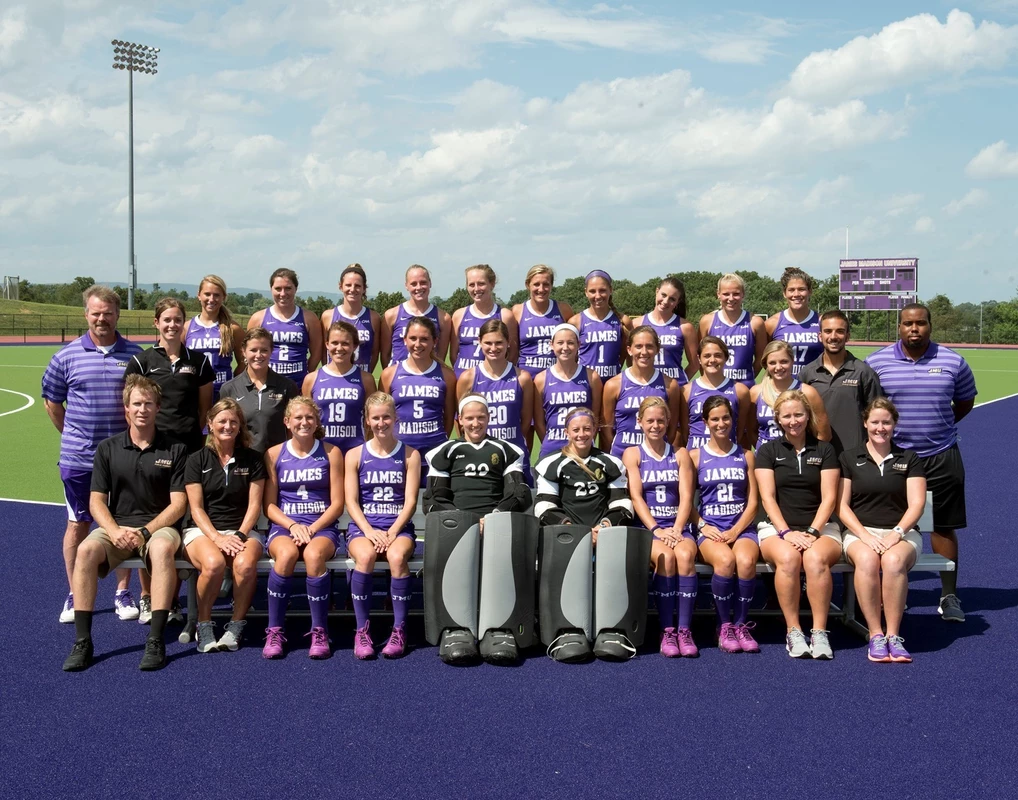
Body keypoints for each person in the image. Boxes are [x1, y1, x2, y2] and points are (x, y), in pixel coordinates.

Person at [62, 376, 188, 671]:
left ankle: (155, 638)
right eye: (137, 404)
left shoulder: (176, 449)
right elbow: (96, 501)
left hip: (159, 529)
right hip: (116, 528)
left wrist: (145, 531)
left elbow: (179, 504)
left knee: (161, 550)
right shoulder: (107, 448)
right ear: (126, 408)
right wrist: (114, 530)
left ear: (158, 407)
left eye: (148, 404)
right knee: (85, 551)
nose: (143, 409)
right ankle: (83, 641)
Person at [865, 303, 977, 622]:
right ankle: (889, 594)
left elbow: (965, 402)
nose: (914, 329)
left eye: (920, 323)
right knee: (885, 525)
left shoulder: (953, 361)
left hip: (941, 455)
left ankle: (948, 595)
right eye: (907, 324)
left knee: (943, 526)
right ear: (899, 327)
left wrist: (938, 426)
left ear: (930, 325)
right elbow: (870, 408)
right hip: (894, 458)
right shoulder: (876, 362)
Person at [42, 284, 144, 624]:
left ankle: (122, 591)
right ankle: (75, 593)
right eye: (96, 313)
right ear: (86, 314)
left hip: (125, 459)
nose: (102, 319)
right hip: (80, 460)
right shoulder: (65, 356)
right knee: (78, 524)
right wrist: (76, 437)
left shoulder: (135, 356)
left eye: (108, 313)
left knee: (124, 524)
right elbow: (52, 403)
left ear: (118, 315)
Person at [422, 394, 533, 663]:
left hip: (495, 524)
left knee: (503, 558)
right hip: (457, 526)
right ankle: (456, 627)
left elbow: (519, 494)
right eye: (469, 418)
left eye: (481, 417)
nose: (475, 423)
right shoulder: (444, 452)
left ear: (489, 419)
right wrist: (463, 522)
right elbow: (433, 499)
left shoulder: (507, 450)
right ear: (459, 421)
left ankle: (499, 627)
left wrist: (494, 517)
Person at [535, 407, 650, 663]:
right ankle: (568, 630)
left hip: (603, 534)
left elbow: (622, 503)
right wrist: (574, 530)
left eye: (587, 429)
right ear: (567, 432)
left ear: (595, 430)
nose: (582, 434)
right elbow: (544, 506)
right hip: (568, 537)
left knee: (614, 554)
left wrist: (605, 526)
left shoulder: (610, 463)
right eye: (576, 429)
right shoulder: (550, 464)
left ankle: (612, 628)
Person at [838, 398, 927, 663]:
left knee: (893, 560)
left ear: (894, 424)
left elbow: (917, 504)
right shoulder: (849, 458)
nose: (880, 428)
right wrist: (865, 536)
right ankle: (876, 634)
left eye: (886, 422)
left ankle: (893, 635)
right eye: (875, 422)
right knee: (867, 559)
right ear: (865, 423)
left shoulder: (909, 458)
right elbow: (841, 506)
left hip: (901, 533)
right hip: (859, 533)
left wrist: (896, 533)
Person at [755, 389, 842, 659]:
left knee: (815, 559)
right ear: (778, 419)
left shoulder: (825, 450)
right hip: (777, 529)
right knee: (789, 558)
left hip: (821, 529)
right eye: (787, 416)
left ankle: (819, 632)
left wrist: (813, 531)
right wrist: (786, 532)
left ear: (808, 416)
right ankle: (793, 631)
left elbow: (829, 499)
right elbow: (768, 498)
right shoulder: (768, 451)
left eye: (799, 415)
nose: (793, 421)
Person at [262, 397, 345, 659]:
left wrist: (311, 528)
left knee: (314, 555)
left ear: (317, 421)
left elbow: (337, 504)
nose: (304, 422)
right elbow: (269, 506)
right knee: (286, 554)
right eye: (298, 417)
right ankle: (274, 630)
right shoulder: (274, 454)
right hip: (286, 526)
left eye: (310, 417)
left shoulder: (331, 452)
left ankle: (319, 630)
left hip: (321, 527)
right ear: (287, 422)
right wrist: (293, 525)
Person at [182, 398, 266, 653]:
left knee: (245, 565)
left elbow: (254, 505)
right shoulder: (196, 460)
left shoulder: (253, 459)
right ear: (210, 424)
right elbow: (196, 509)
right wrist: (217, 538)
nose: (227, 426)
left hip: (242, 531)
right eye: (221, 421)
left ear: (240, 426)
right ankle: (203, 623)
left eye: (233, 421)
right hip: (202, 531)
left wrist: (239, 535)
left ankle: (236, 625)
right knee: (214, 564)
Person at [344, 392, 422, 660]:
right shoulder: (355, 455)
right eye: (375, 418)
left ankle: (399, 630)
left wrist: (392, 532)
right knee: (365, 556)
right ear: (367, 420)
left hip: (397, 528)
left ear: (395, 417)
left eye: (386, 417)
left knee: (397, 557)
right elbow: (351, 501)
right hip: (364, 528)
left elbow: (410, 501)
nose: (381, 423)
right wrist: (369, 531)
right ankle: (361, 631)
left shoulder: (410, 455)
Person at [621, 397, 697, 657]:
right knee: (666, 558)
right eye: (650, 421)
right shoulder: (633, 454)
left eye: (661, 421)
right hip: (649, 529)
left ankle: (684, 630)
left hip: (677, 526)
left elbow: (686, 497)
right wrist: (656, 530)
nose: (655, 426)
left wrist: (676, 528)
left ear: (668, 422)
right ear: (640, 422)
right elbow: (636, 497)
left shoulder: (680, 454)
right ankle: (667, 630)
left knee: (684, 556)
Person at [688, 397, 761, 655]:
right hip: (711, 529)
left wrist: (735, 531)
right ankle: (724, 625)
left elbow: (753, 502)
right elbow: (685, 501)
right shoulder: (695, 456)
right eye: (715, 419)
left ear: (733, 419)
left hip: (740, 528)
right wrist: (702, 525)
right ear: (705, 422)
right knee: (726, 561)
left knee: (746, 562)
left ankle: (741, 624)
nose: (721, 423)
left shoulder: (746, 455)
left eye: (726, 418)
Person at [126, 297, 216, 454]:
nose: (172, 325)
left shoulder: (199, 361)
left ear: (183, 323)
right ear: (156, 323)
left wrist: (194, 436)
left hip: (189, 445)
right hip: (154, 445)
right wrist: (144, 439)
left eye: (178, 320)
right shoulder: (141, 361)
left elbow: (205, 410)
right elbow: (129, 408)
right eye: (167, 320)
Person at [457, 319, 534, 484]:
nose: (493, 348)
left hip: (513, 453)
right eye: (488, 343)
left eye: (499, 342)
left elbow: (526, 421)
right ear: (480, 342)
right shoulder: (468, 378)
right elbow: (461, 420)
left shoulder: (523, 378)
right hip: (480, 455)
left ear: (508, 343)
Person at [380, 315, 456, 482]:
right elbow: (382, 415)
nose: (418, 344)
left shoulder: (447, 375)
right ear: (405, 340)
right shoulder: (389, 374)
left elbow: (449, 417)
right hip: (399, 452)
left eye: (424, 339)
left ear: (435, 341)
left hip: (434, 452)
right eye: (413, 338)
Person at [799, 309, 883, 455]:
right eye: (828, 331)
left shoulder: (864, 373)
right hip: (817, 455)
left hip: (855, 455)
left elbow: (877, 417)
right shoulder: (807, 373)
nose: (833, 336)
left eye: (839, 331)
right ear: (820, 336)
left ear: (847, 336)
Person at [602, 326, 682, 457]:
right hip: (621, 454)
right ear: (629, 350)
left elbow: (672, 428)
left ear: (657, 350)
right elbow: (606, 429)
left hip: (656, 456)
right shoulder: (613, 385)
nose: (644, 352)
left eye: (649, 346)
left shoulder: (670, 385)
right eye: (638, 346)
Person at [219, 328, 300, 455]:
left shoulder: (287, 386)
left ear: (271, 351)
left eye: (264, 350)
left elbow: (293, 429)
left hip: (276, 459)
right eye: (253, 350)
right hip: (242, 460)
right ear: (243, 351)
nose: (258, 355)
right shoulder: (229, 388)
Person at [303, 320, 376, 454]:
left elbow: (371, 420)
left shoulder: (366, 379)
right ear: (327, 344)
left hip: (355, 450)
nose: (339, 348)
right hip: (321, 451)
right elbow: (305, 417)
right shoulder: (311, 379)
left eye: (345, 343)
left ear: (355, 346)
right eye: (335, 343)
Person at [533, 323, 603, 458]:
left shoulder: (592, 376)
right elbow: (539, 422)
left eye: (570, 343)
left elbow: (595, 416)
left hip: (583, 446)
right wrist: (550, 442)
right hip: (552, 446)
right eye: (560, 343)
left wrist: (585, 441)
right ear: (551, 345)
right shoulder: (541, 379)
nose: (565, 348)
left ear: (578, 345)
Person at [247, 268, 323, 387]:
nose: (283, 294)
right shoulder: (258, 318)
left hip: (298, 383)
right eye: (278, 288)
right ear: (271, 289)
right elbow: (249, 350)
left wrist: (306, 374)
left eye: (288, 288)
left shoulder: (309, 318)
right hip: (267, 384)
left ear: (295, 289)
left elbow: (317, 352)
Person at [750, 340, 830, 449]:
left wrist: (807, 455)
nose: (778, 367)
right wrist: (765, 452)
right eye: (772, 363)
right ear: (766, 364)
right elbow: (751, 431)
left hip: (798, 456)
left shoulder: (808, 392)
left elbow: (823, 434)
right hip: (766, 456)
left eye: (784, 361)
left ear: (792, 361)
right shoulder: (756, 392)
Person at [183, 275, 246, 400]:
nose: (211, 299)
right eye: (207, 294)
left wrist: (232, 383)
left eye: (216, 295)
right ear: (199, 295)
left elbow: (244, 362)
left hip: (223, 395)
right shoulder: (186, 327)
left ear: (224, 297)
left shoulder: (233, 328)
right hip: (194, 394)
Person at [698, 273, 766, 387]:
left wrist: (748, 377)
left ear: (743, 294)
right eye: (726, 294)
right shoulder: (707, 321)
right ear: (718, 294)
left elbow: (761, 357)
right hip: (715, 387)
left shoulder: (755, 322)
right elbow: (700, 356)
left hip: (745, 386)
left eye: (736, 294)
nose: (731, 298)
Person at [683, 336, 750, 450]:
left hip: (726, 454)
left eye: (718, 355)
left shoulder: (740, 391)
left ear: (726, 358)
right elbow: (685, 430)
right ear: (699, 359)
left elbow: (741, 430)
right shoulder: (686, 390)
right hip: (695, 453)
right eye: (707, 356)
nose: (712, 360)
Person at [451, 264, 518, 377]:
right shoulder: (459, 315)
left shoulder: (505, 315)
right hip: (463, 378)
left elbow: (513, 354)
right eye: (471, 284)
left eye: (481, 283)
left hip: (494, 380)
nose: (476, 289)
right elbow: (453, 355)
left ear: (492, 284)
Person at [381, 264, 452, 366]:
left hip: (429, 375)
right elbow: (385, 355)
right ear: (406, 285)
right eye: (413, 284)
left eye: (423, 282)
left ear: (430, 283)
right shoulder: (391, 315)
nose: (418, 287)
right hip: (398, 374)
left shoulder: (444, 318)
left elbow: (441, 357)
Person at [512, 264, 575, 377]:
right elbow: (512, 351)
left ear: (551, 285)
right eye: (536, 284)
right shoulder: (518, 311)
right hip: (527, 378)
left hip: (556, 378)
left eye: (546, 284)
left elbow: (574, 344)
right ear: (527, 285)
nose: (541, 289)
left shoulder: (563, 309)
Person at [633, 277, 699, 384]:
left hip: (675, 389)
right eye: (663, 295)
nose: (666, 301)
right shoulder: (637, 324)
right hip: (647, 387)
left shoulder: (685, 327)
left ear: (678, 302)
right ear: (657, 291)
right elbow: (631, 360)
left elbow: (695, 364)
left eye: (672, 299)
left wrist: (679, 384)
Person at [568, 270, 631, 381]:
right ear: (586, 292)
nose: (597, 296)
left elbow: (625, 353)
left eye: (602, 290)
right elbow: (571, 357)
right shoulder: (576, 321)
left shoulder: (623, 321)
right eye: (592, 291)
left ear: (610, 290)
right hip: (585, 383)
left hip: (612, 384)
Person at [319, 263, 381, 373]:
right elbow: (323, 351)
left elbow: (375, 352)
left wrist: (365, 375)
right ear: (340, 286)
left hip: (361, 377)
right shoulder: (328, 316)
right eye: (348, 285)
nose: (352, 289)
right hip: (335, 376)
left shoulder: (373, 317)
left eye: (357, 286)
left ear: (364, 288)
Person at [765, 267, 823, 376]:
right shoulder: (772, 324)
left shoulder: (822, 321)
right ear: (784, 293)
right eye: (791, 290)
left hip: (814, 384)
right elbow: (764, 359)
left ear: (810, 291)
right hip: (783, 385)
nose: (796, 294)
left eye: (801, 289)